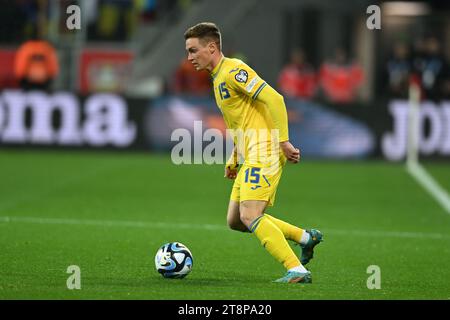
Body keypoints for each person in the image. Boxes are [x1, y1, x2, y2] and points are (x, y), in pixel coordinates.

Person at [183, 22, 323, 283]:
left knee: (250, 215)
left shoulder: (234, 70)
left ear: (211, 47)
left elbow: (275, 99)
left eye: (193, 50)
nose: (189, 58)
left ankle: (297, 270)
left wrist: (284, 141)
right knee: (236, 220)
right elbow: (241, 122)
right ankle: (305, 237)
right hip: (250, 151)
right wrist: (235, 157)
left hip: (266, 149)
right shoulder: (217, 79)